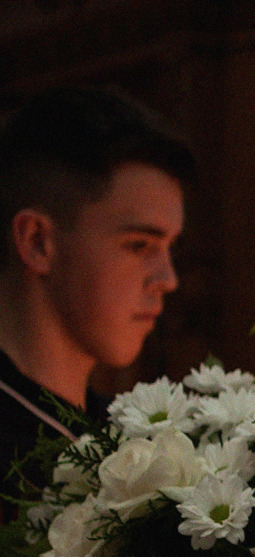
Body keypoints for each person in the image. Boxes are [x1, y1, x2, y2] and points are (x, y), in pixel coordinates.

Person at [0, 85, 192, 490]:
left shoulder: (127, 437)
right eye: (139, 245)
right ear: (38, 242)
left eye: (169, 247)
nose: (168, 280)